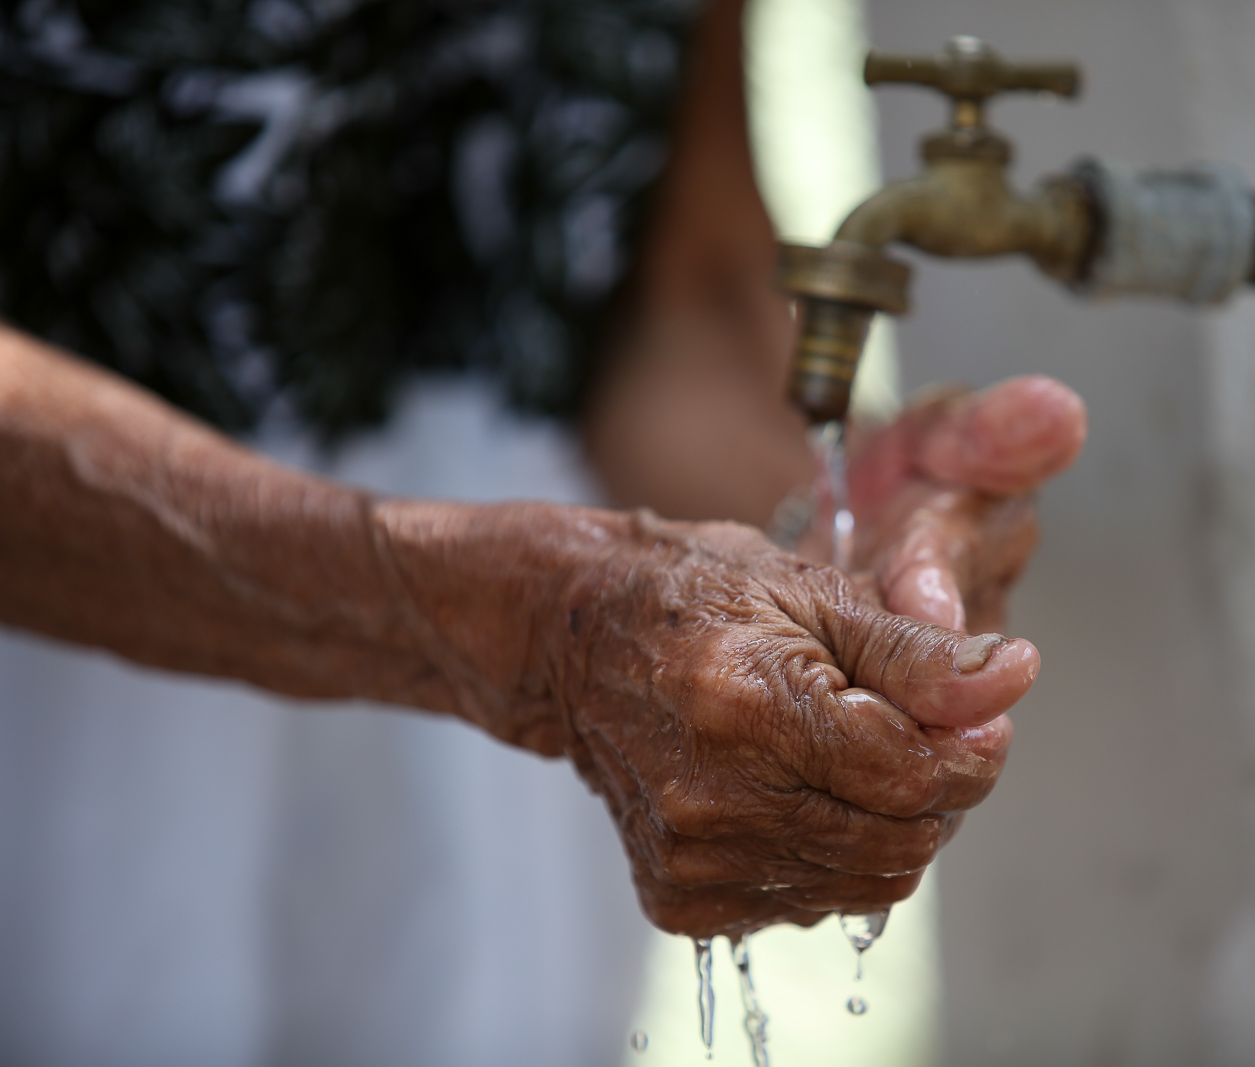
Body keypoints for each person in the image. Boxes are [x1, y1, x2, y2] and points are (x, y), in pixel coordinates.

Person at [0, 0, 1085, 1057]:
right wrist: (524, 624)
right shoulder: (549, 627)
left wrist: (840, 534)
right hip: (86, 612)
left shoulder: (575, 630)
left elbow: (685, 292)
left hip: (529, 686)